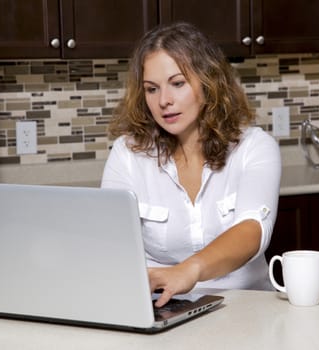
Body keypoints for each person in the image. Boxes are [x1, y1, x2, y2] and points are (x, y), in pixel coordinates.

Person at [101, 22, 281, 307]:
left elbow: (252, 230)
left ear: (209, 83)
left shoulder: (255, 147)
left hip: (248, 308)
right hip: (163, 308)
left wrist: (190, 270)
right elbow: (109, 240)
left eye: (178, 83)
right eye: (151, 89)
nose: (164, 101)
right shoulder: (127, 154)